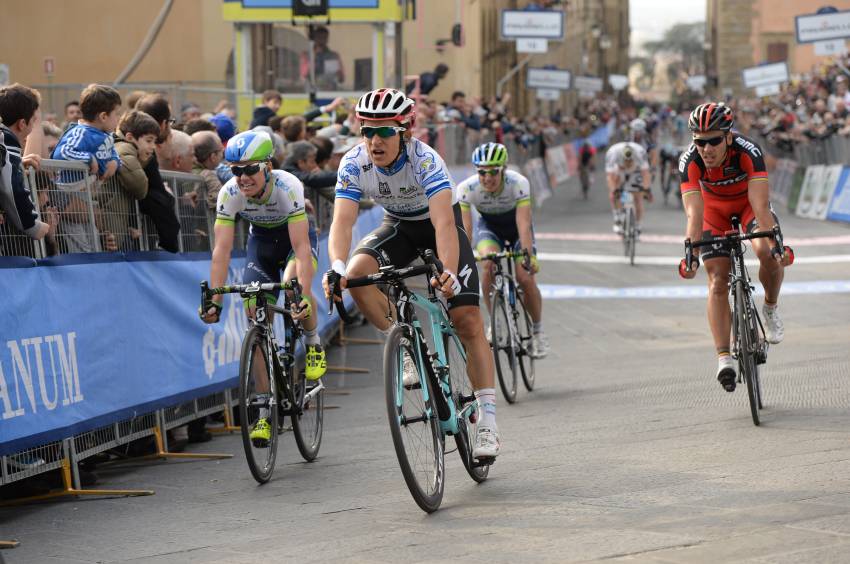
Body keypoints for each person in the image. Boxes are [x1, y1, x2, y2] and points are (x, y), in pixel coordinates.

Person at [323, 88, 500, 459]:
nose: (374, 140)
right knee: (357, 275)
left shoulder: (426, 161)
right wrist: (336, 266)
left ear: (404, 131)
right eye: (367, 130)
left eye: (384, 131)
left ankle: (488, 421)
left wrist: (448, 272)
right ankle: (402, 344)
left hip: (439, 228)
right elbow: (342, 221)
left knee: (467, 320)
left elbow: (444, 226)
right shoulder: (354, 163)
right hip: (399, 225)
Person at [199, 130, 326, 446]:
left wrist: (302, 297)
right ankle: (263, 411)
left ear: (268, 166)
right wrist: (214, 299)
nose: (242, 177)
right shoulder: (230, 194)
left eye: (249, 169)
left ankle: (312, 342)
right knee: (254, 315)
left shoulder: (288, 187)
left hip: (294, 240)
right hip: (262, 245)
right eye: (235, 170)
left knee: (294, 284)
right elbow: (222, 251)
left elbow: (299, 247)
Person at [679, 102, 788, 393]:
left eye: (714, 140)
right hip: (714, 212)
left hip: (748, 205)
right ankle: (723, 358)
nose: (706, 148)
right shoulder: (689, 161)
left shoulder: (748, 151)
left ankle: (770, 307)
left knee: (765, 252)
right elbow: (693, 213)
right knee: (716, 280)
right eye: (699, 141)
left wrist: (775, 242)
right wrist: (689, 252)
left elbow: (761, 205)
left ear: (728, 136)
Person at [456, 142, 549, 358]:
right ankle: (494, 322)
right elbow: (467, 231)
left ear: (503, 170)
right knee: (487, 264)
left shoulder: (518, 183)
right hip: (489, 229)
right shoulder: (466, 189)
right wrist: (465, 259)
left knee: (525, 278)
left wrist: (528, 256)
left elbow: (524, 224)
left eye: (493, 172)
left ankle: (537, 332)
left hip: (516, 229)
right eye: (482, 172)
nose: (487, 178)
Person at [51, 84, 122, 253]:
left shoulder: (107, 136)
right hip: (68, 195)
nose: (119, 118)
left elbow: (113, 153)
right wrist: (88, 158)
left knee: (94, 245)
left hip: (87, 197)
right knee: (80, 247)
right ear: (104, 116)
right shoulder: (80, 132)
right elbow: (62, 152)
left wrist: (115, 161)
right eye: (117, 114)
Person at [0, 84, 57, 257]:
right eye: (33, 122)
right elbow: (12, 188)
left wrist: (17, 162)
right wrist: (32, 224)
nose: (33, 128)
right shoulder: (6, 138)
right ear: (22, 123)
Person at [104, 110, 160, 251]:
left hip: (113, 222)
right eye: (148, 140)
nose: (153, 147)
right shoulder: (124, 150)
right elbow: (140, 188)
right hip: (106, 223)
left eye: (154, 141)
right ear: (129, 137)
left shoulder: (123, 149)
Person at [135, 94, 181, 252]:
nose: (170, 128)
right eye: (170, 122)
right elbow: (156, 190)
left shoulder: (134, 144)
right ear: (162, 123)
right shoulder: (144, 153)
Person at [605, 141, 652, 235]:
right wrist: (614, 190)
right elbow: (609, 176)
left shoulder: (639, 152)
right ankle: (617, 216)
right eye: (626, 160)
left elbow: (645, 173)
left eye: (630, 160)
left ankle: (638, 225)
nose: (628, 162)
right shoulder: (613, 153)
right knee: (615, 190)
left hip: (635, 169)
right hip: (618, 169)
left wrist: (646, 189)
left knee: (638, 197)